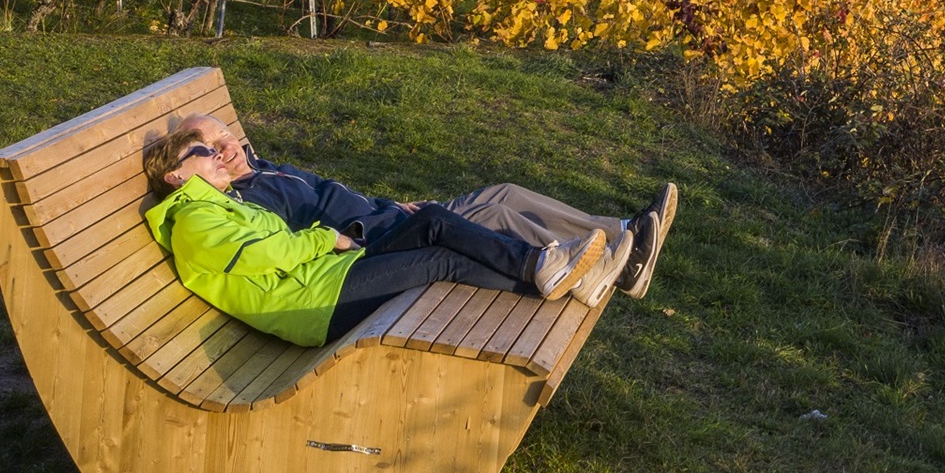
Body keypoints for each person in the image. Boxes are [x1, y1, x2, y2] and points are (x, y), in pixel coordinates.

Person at [142, 127, 581, 347]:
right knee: (439, 259)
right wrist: (326, 239)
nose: (216, 153)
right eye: (201, 151)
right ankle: (544, 275)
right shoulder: (192, 222)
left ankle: (539, 267)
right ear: (175, 175)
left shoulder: (221, 205)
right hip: (313, 308)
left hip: (331, 276)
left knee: (432, 220)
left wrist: (335, 243)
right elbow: (264, 255)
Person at [176, 114, 675, 302]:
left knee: (503, 193)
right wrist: (372, 224)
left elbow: (333, 193)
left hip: (388, 214)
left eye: (225, 138)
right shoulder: (250, 198)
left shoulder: (265, 168)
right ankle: (595, 264)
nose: (227, 150)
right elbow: (304, 234)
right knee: (494, 217)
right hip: (375, 240)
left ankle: (621, 231)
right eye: (213, 149)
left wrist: (389, 205)